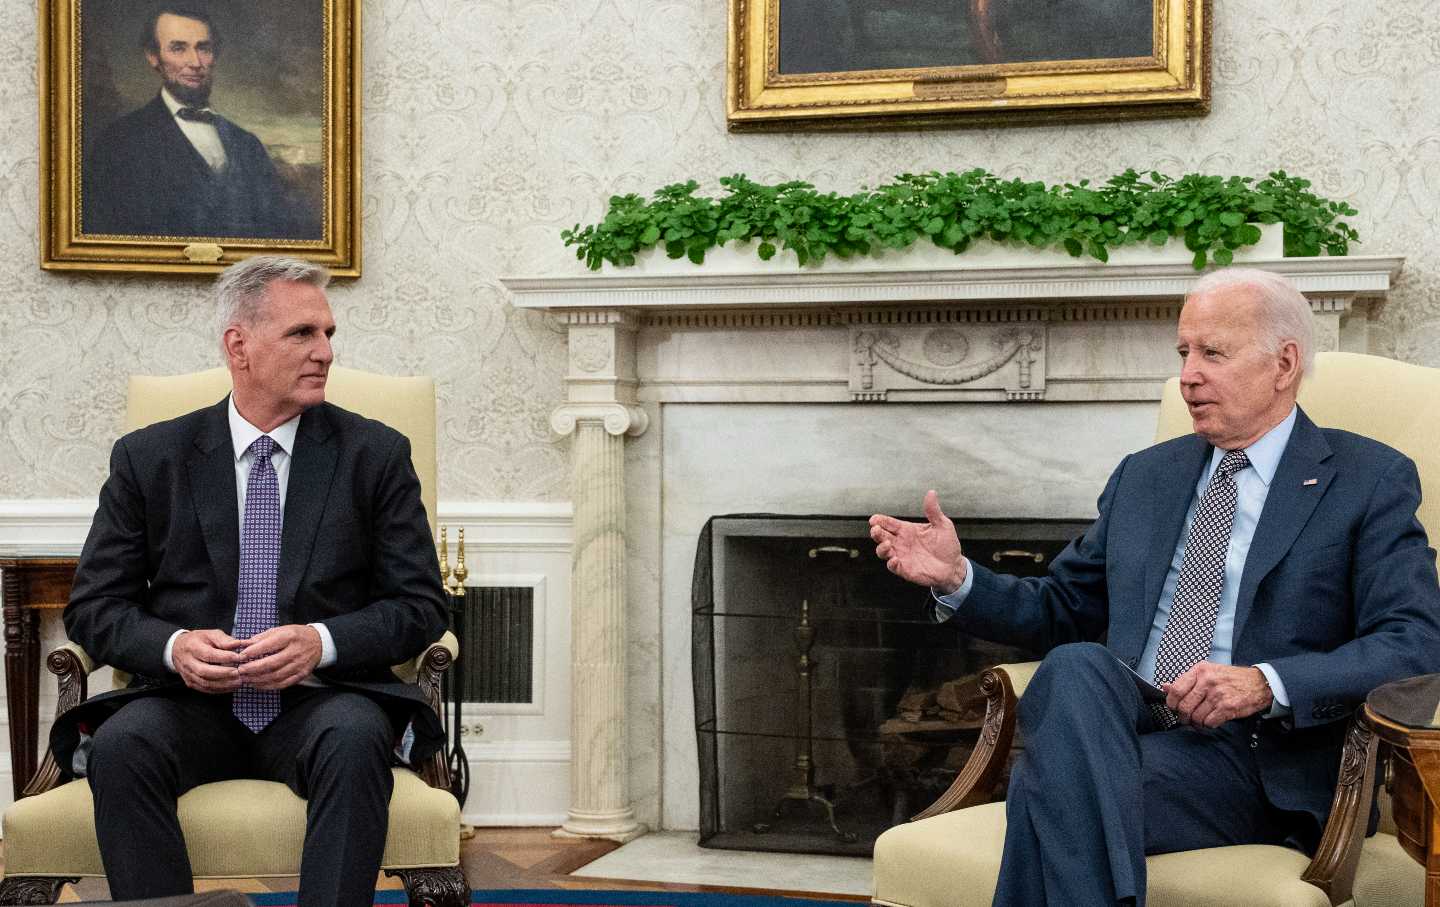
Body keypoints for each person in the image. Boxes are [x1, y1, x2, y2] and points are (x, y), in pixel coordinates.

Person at [869, 267, 1440, 906]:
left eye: (1212, 353)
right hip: (1127, 726)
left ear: (1283, 365)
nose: (1187, 375)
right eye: (1183, 353)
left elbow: (1413, 642)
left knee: (1048, 784)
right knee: (1077, 664)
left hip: (1259, 758)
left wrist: (1265, 683)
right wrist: (957, 577)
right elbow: (1063, 609)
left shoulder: (1366, 478)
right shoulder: (1146, 476)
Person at [51, 256, 447, 907]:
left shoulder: (374, 454)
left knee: (357, 734)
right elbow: (95, 608)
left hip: (321, 702)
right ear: (239, 344)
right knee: (122, 743)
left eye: (328, 333)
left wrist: (319, 641)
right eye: (302, 334)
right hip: (187, 704)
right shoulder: (149, 457)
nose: (325, 352)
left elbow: (419, 604)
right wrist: (175, 645)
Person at [82, 7, 315, 239]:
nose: (195, 62)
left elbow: (278, 232)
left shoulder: (247, 144)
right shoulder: (120, 140)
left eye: (203, 48)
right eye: (178, 48)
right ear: (154, 57)